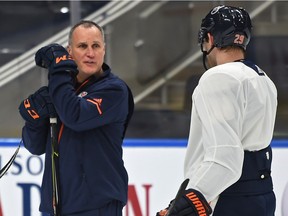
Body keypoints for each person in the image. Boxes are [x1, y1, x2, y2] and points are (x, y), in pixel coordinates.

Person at [157, 5, 277, 216]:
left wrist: (189, 204)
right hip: (262, 194)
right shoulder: (263, 78)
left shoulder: (218, 78)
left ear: (210, 38)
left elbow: (225, 158)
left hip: (229, 198)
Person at [18, 20, 134, 215]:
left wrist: (59, 71)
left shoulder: (114, 90)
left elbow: (76, 116)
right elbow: (35, 146)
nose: (90, 53)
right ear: (69, 51)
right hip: (55, 207)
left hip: (96, 207)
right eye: (82, 46)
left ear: (104, 50)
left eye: (96, 46)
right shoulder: (63, 91)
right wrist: (35, 120)